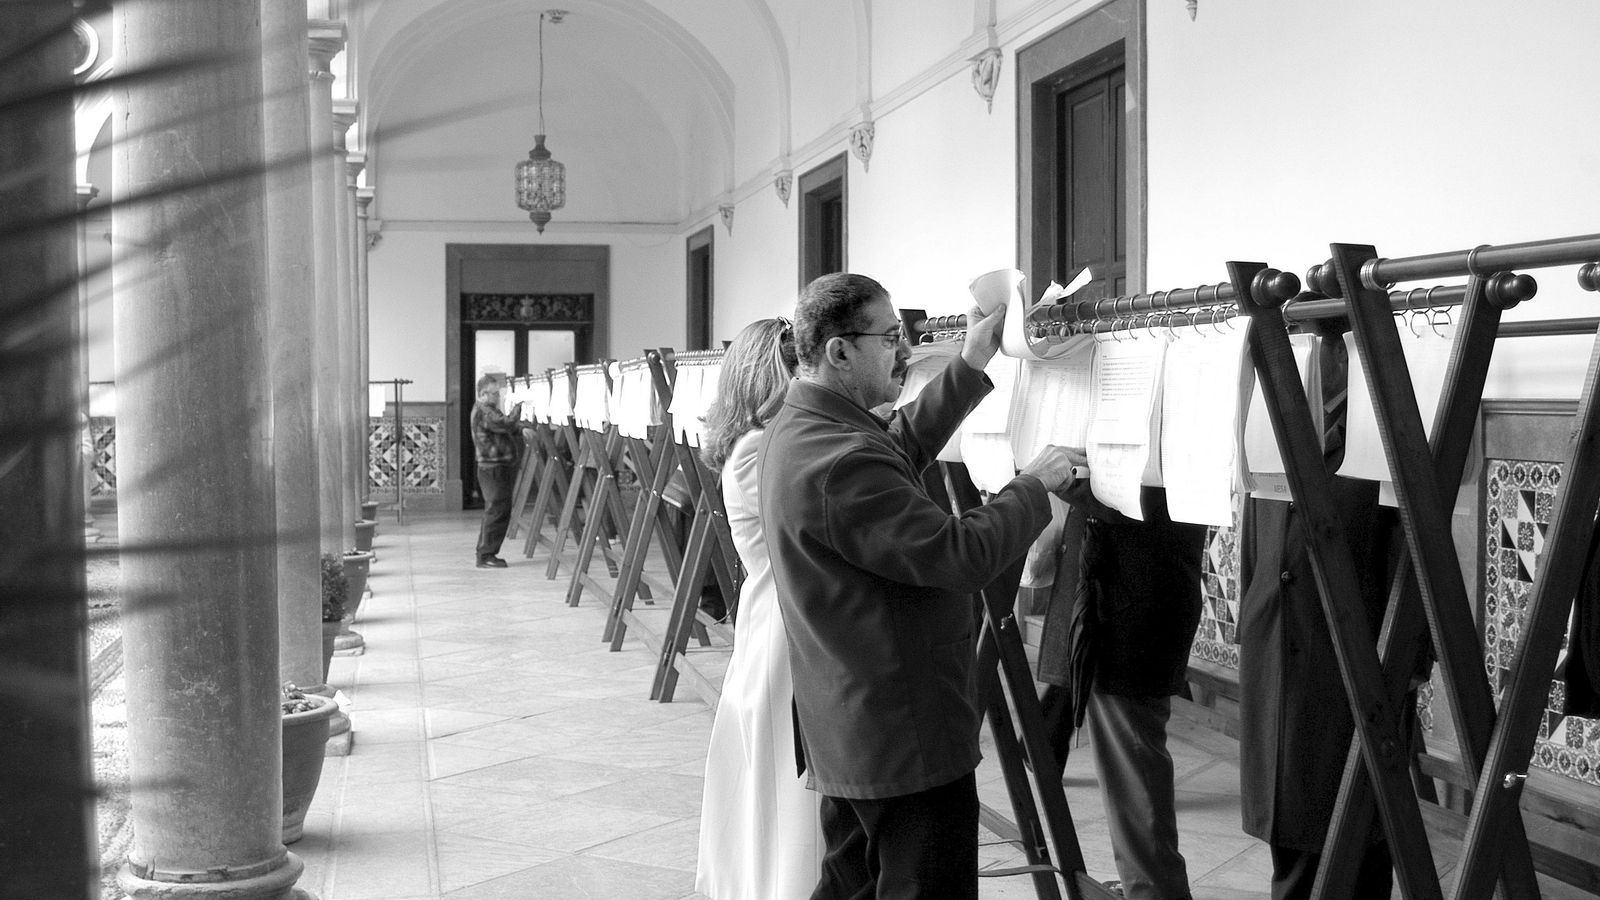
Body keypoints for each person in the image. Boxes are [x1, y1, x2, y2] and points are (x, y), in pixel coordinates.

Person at [759, 272, 1084, 899]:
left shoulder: (811, 427)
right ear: (840, 350)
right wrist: (1034, 484)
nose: (904, 351)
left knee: (850, 887)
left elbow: (896, 448)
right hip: (899, 734)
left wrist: (971, 359)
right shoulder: (839, 458)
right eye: (890, 337)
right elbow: (960, 556)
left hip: (855, 724)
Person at [694, 317, 822, 899]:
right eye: (794, 367)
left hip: (777, 611)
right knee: (786, 781)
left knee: (778, 775)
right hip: (784, 620)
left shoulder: (763, 441)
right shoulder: (759, 449)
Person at [1035, 485, 1203, 900]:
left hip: (1130, 598)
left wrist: (1061, 475)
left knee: (1134, 769)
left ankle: (1154, 890)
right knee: (1130, 769)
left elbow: (1131, 495)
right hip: (1127, 591)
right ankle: (1145, 885)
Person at [469, 372, 525, 568]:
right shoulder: (485, 411)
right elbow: (506, 424)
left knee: (499, 509)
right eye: (494, 393)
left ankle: (487, 553)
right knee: (496, 510)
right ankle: (485, 555)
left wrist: (521, 427)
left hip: (495, 467)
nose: (497, 397)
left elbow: (506, 426)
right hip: (492, 468)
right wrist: (520, 406)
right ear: (483, 394)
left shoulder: (488, 410)